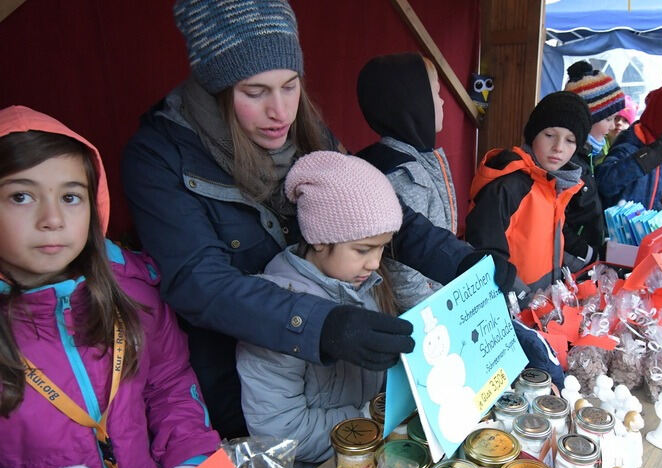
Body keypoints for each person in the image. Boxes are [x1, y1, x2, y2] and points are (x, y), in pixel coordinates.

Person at [122, 0, 515, 439]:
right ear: (216, 88)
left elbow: (370, 212)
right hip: (242, 390)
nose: (281, 113)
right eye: (255, 93)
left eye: (291, 86)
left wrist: (462, 262)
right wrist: (320, 325)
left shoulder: (308, 131)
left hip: (333, 381)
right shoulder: (159, 156)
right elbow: (198, 281)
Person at [0, 106, 220, 468]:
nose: (52, 219)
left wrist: (189, 462)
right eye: (21, 196)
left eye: (70, 196)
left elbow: (170, 385)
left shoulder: (132, 289)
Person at [237, 152, 400, 468]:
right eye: (363, 249)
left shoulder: (364, 284)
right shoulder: (276, 311)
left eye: (382, 248)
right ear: (319, 239)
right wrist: (369, 419)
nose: (374, 263)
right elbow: (279, 429)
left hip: (363, 457)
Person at [356, 52, 457, 311]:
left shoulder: (414, 159)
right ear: (416, 102)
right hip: (422, 316)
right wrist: (437, 317)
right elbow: (404, 271)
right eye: (436, 93)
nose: (443, 102)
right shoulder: (402, 174)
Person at [465, 91, 592, 292]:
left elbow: (547, 240)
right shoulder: (509, 187)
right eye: (549, 135)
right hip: (510, 303)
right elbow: (484, 253)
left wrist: (584, 261)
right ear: (533, 135)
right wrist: (521, 297)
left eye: (570, 140)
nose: (558, 147)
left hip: (541, 300)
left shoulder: (555, 184)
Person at [596, 84, 662, 210]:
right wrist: (650, 157)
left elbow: (652, 199)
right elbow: (604, 183)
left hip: (639, 226)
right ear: (658, 112)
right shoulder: (630, 143)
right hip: (613, 227)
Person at [563, 61, 626, 267]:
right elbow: (559, 220)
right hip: (573, 257)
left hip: (587, 252)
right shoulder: (568, 160)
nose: (612, 125)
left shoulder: (590, 153)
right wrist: (586, 251)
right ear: (587, 120)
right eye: (608, 118)